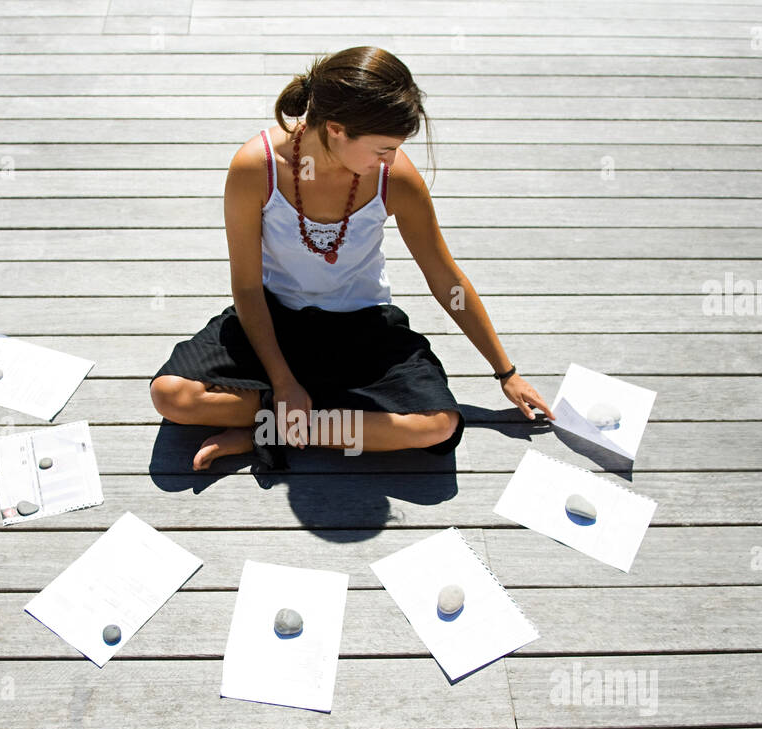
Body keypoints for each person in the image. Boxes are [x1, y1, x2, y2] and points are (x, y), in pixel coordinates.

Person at [150, 45, 554, 472]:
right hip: (273, 319)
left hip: (361, 327)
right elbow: (248, 287)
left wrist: (504, 371)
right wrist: (285, 382)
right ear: (338, 129)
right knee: (171, 395)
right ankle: (310, 415)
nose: (392, 160)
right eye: (382, 149)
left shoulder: (394, 178)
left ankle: (266, 430)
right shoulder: (257, 167)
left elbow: (444, 278)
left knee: (439, 424)